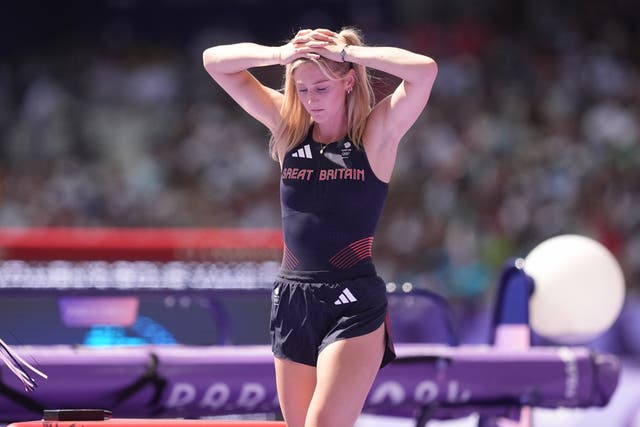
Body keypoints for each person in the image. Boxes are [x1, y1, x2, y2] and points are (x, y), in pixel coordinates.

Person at [203, 27, 437, 427]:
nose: (311, 100)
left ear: (347, 81)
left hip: (353, 301)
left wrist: (348, 53)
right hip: (293, 297)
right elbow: (215, 61)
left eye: (321, 89)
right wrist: (282, 55)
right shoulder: (289, 128)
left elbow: (425, 71)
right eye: (303, 89)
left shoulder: (375, 135)